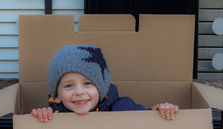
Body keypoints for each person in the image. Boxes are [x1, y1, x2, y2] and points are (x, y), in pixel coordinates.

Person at [31, 44, 179, 122]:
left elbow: (147, 121)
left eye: (88, 83)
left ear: (101, 88)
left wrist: (163, 110)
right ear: (56, 96)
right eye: (69, 85)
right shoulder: (55, 115)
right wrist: (42, 116)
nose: (79, 92)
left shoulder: (123, 108)